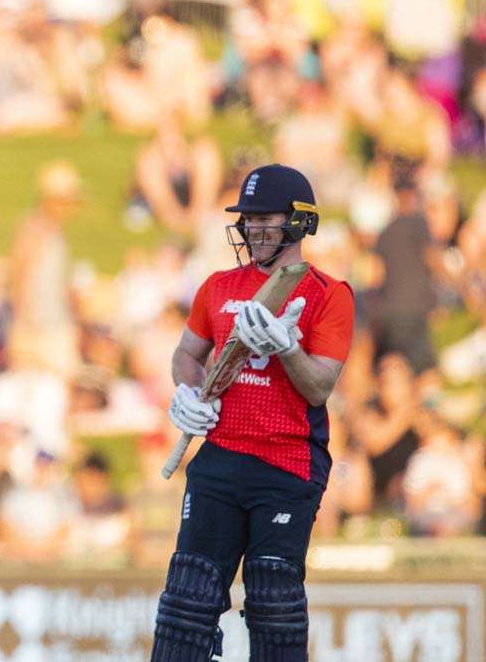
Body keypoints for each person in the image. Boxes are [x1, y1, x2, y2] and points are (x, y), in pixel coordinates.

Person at [153, 164, 355, 661]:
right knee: (188, 598)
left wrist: (287, 346)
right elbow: (185, 355)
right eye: (249, 218)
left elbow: (318, 388)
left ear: (299, 221)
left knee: (273, 600)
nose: (253, 228)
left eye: (266, 217)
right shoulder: (218, 286)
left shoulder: (330, 295)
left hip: (286, 464)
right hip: (220, 456)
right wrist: (189, 394)